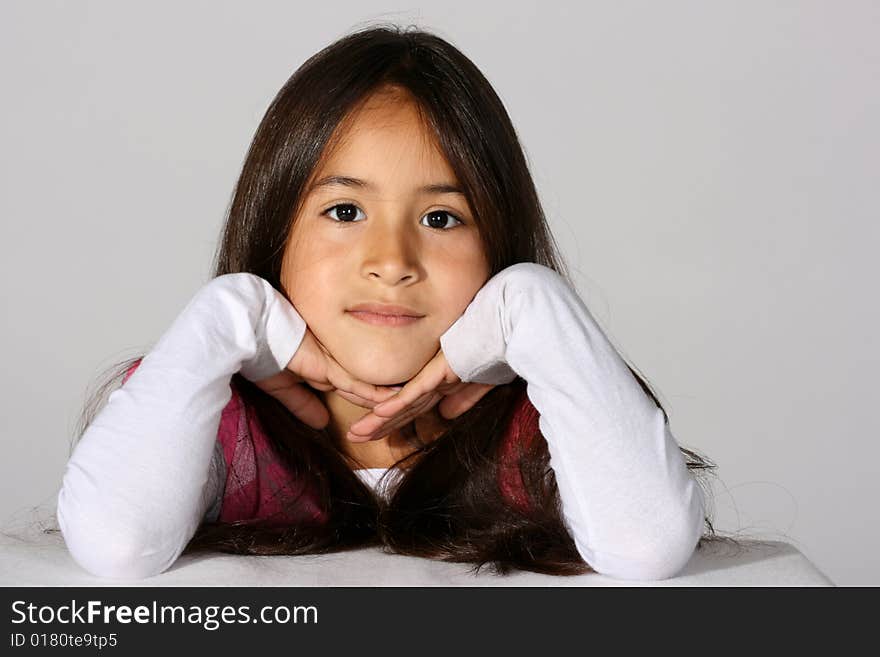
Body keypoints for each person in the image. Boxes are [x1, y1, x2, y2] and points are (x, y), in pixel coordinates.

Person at [56, 23, 724, 581]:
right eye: (345, 210)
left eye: (441, 218)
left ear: (496, 248)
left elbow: (647, 546)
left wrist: (534, 305)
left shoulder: (540, 422)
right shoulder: (215, 418)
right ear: (275, 236)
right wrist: (227, 313)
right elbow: (116, 544)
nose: (392, 262)